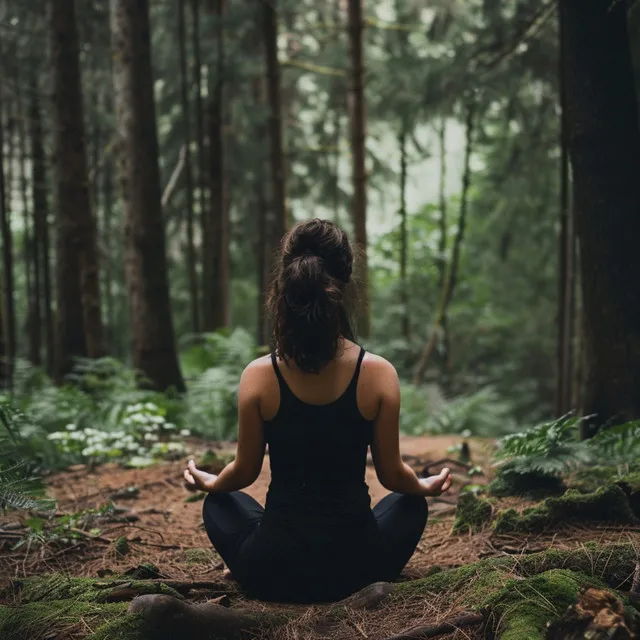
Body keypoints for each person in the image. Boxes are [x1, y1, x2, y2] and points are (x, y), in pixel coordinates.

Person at [184, 218, 452, 604]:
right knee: (410, 503)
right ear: (344, 283)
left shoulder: (259, 375)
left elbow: (243, 473)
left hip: (273, 570)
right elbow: (393, 476)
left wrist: (209, 483)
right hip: (360, 568)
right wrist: (424, 487)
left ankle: (243, 564)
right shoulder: (378, 373)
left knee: (220, 503)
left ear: (287, 281)